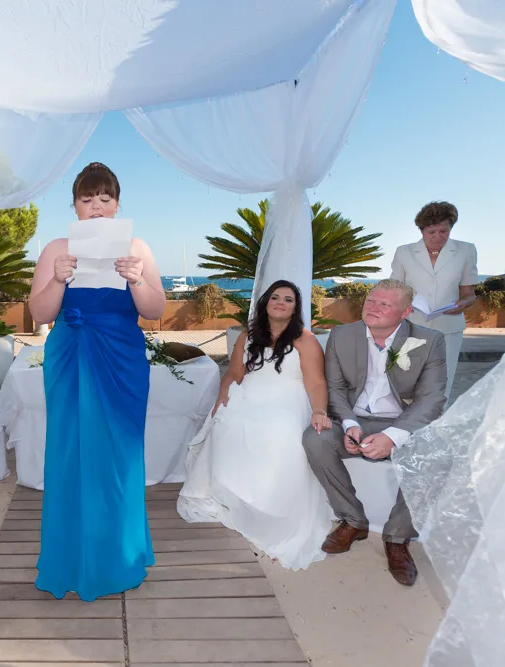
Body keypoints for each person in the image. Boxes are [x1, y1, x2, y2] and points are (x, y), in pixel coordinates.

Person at [28, 162, 166, 601]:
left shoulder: (138, 246)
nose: (97, 207)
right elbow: (41, 314)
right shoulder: (55, 247)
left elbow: (156, 309)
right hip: (70, 356)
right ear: (74, 205)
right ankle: (72, 556)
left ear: (118, 203)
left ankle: (119, 554)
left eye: (104, 198)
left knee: (120, 455)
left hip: (122, 359)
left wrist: (137, 278)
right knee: (71, 453)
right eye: (87, 199)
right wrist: (56, 278)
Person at [178, 281, 335, 570]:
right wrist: (222, 397)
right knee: (226, 424)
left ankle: (271, 513)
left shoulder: (305, 339)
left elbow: (316, 381)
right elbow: (235, 372)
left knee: (280, 436)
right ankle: (233, 496)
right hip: (250, 395)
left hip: (286, 400)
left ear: (295, 308)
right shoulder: (249, 335)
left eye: (288, 299)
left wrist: (319, 410)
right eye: (275, 297)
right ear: (265, 302)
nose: (280, 302)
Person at [302, 279, 447, 586]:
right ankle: (353, 520)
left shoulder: (430, 340)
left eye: (385, 304)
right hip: (355, 418)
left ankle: (397, 538)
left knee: (435, 452)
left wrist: (393, 436)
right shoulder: (341, 335)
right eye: (371, 300)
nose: (373, 308)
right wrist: (350, 424)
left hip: (402, 421)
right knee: (315, 439)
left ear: (406, 311)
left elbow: (432, 399)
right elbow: (336, 388)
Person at [389, 201, 479, 398]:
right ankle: (407, 426)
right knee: (408, 380)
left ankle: (434, 427)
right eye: (431, 232)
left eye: (443, 231)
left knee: (441, 383)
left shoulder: (466, 251)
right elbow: (394, 288)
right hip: (411, 325)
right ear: (421, 230)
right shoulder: (404, 252)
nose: (438, 237)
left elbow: (469, 293)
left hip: (449, 328)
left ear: (451, 228)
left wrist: (463, 304)